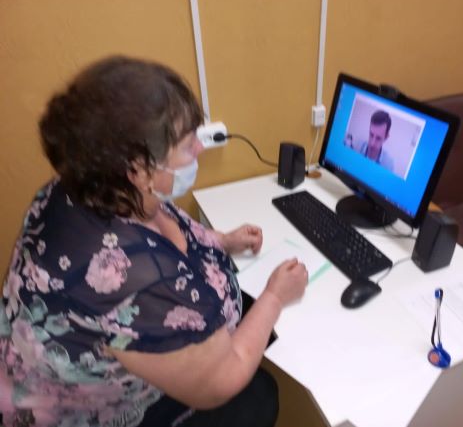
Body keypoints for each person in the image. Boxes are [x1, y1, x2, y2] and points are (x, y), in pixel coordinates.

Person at [0, 56, 308, 427]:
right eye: (188, 144)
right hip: (85, 415)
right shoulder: (128, 279)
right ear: (138, 170)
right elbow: (223, 380)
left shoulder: (89, 188)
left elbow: (163, 227)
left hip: (62, 368)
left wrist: (220, 240)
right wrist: (275, 297)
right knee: (258, 395)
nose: (199, 149)